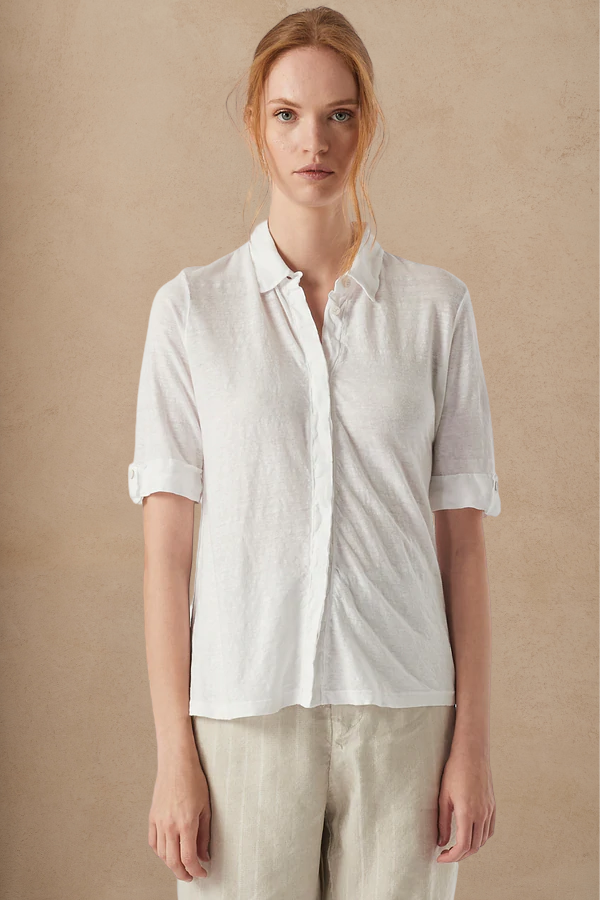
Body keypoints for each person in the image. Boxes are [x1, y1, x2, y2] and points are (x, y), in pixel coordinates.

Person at [127, 7, 501, 898]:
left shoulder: (436, 310)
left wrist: (472, 747)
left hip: (405, 715)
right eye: (288, 114)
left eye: (339, 114)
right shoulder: (191, 312)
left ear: (365, 124)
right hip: (242, 716)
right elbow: (167, 556)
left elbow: (463, 548)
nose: (314, 141)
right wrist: (175, 755)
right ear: (255, 124)